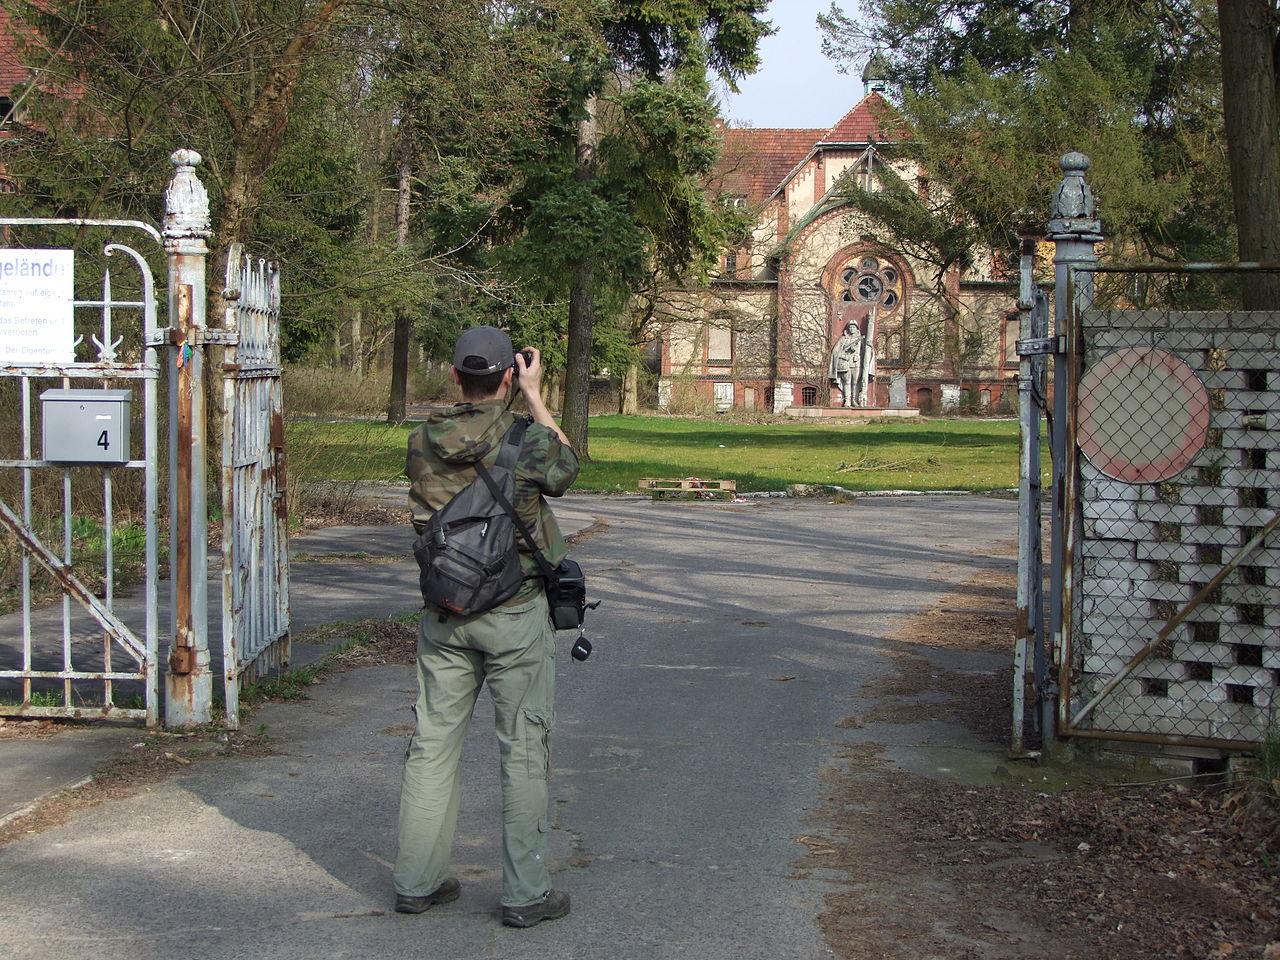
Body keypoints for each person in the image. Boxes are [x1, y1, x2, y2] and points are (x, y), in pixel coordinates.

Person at [394, 325, 580, 928]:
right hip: (513, 611)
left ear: (454, 376)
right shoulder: (527, 439)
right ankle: (525, 894)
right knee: (523, 751)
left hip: (445, 612)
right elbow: (568, 466)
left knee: (432, 746)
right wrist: (533, 395)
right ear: (508, 374)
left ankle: (417, 882)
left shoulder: (422, 440)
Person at [827, 320, 863, 408]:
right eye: (850, 327)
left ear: (856, 329)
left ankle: (854, 400)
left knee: (855, 382)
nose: (852, 329)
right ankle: (847, 401)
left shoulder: (861, 339)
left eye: (853, 327)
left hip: (856, 363)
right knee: (847, 382)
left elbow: (865, 352)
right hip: (846, 363)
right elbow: (835, 351)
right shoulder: (843, 339)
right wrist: (844, 356)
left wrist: (858, 353)